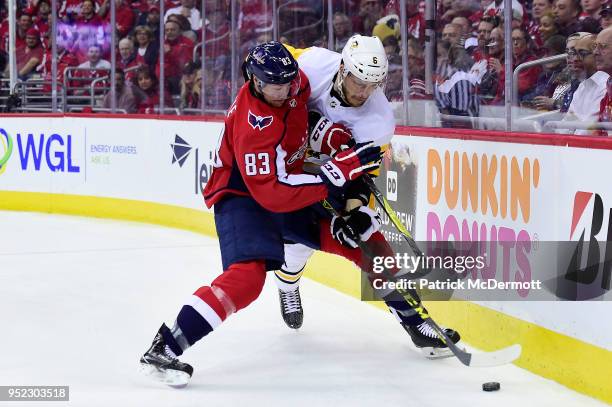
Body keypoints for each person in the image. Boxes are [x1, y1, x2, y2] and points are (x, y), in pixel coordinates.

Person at [139, 41, 382, 387]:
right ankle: (166, 345)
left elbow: (304, 118)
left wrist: (329, 135)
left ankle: (409, 313)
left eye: (289, 82)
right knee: (247, 280)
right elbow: (273, 193)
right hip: (243, 196)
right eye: (276, 86)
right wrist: (335, 173)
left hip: (283, 183)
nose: (285, 91)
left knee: (347, 236)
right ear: (254, 81)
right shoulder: (255, 125)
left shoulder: (295, 84)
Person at [275, 35, 461, 358]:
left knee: (369, 239)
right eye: (358, 81)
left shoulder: (379, 121)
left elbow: (364, 175)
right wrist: (314, 127)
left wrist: (355, 208)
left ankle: (416, 323)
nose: (362, 92)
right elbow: (272, 68)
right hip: (293, 167)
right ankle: (287, 284)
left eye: (372, 85)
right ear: (343, 68)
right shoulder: (314, 63)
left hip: (339, 178)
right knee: (298, 245)